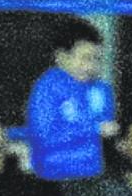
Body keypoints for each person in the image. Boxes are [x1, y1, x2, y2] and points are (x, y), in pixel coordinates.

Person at [25, 18, 116, 182]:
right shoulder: (47, 88)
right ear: (61, 57)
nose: (90, 66)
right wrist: (93, 129)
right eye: (85, 58)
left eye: (96, 59)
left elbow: (108, 131)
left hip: (94, 179)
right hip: (53, 177)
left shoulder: (100, 89)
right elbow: (44, 136)